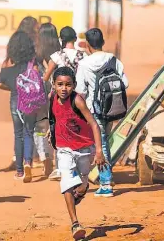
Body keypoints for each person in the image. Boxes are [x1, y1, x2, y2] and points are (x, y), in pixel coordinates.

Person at [48, 66, 106, 240]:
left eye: (68, 85)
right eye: (60, 84)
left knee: (82, 183)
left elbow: (94, 125)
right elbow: (53, 116)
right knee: (66, 181)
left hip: (83, 148)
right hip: (64, 148)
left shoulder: (78, 101)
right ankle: (75, 224)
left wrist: (98, 151)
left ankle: (82, 190)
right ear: (54, 85)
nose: (63, 89)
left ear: (74, 85)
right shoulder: (51, 97)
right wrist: (52, 131)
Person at [75, 28, 128, 198]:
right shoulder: (114, 60)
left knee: (101, 144)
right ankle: (106, 178)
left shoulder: (84, 64)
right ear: (103, 42)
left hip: (94, 110)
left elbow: (81, 90)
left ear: (88, 45)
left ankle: (106, 183)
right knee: (104, 141)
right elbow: (125, 84)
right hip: (112, 108)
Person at [42, 26, 87, 181]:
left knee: (58, 128)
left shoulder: (56, 56)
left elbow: (46, 76)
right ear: (75, 39)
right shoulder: (83, 55)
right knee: (78, 128)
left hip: (59, 98)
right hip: (79, 96)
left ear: (61, 39)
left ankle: (60, 168)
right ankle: (78, 165)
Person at [0, 31, 40, 182]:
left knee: (18, 134)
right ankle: (28, 162)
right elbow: (36, 79)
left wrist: (14, 88)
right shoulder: (32, 62)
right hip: (30, 100)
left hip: (15, 100)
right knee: (29, 131)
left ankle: (20, 171)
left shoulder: (7, 62)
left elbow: (0, 83)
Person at [33, 23, 60, 177]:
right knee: (55, 125)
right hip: (57, 93)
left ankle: (45, 157)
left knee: (40, 126)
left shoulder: (37, 53)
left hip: (40, 93)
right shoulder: (59, 52)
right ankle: (57, 158)